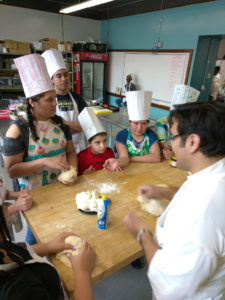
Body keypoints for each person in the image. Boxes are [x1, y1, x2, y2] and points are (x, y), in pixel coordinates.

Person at [124, 101, 225, 299]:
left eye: (173, 136)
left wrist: (142, 234)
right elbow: (196, 191)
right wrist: (167, 193)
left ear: (193, 142)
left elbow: (169, 285)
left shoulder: (200, 214)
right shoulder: (215, 172)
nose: (169, 144)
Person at [3, 54, 78, 245]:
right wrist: (44, 161)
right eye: (49, 100)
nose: (55, 104)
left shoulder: (60, 124)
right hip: (35, 195)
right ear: (32, 102)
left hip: (61, 188)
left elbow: (70, 152)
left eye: (54, 99)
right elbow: (11, 171)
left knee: (63, 226)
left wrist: (73, 170)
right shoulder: (18, 130)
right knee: (38, 232)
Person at [0, 177, 96, 300]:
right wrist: (82, 272)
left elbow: (13, 253)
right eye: (4, 204)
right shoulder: (19, 291)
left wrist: (48, 246)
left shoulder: (3, 245)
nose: (8, 208)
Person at [42, 49, 87, 153]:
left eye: (65, 75)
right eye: (59, 76)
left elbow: (86, 125)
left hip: (79, 149)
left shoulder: (77, 98)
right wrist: (76, 127)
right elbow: (49, 129)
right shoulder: (48, 100)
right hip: (58, 149)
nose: (64, 79)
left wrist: (63, 123)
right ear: (51, 79)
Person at [104, 91, 161, 172]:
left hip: (147, 171)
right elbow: (123, 158)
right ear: (129, 122)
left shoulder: (150, 134)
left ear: (148, 123)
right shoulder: (122, 135)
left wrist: (130, 158)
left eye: (144, 123)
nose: (139, 127)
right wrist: (118, 162)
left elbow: (156, 157)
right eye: (135, 123)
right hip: (129, 171)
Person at [154, 84, 199, 160]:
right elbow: (163, 146)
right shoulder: (161, 123)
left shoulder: (192, 124)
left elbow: (193, 147)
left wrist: (175, 152)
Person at [77, 107, 115, 175]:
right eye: (98, 142)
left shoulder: (109, 152)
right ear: (89, 143)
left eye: (105, 140)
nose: (103, 146)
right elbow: (79, 177)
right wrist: (86, 174)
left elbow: (113, 171)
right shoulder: (81, 157)